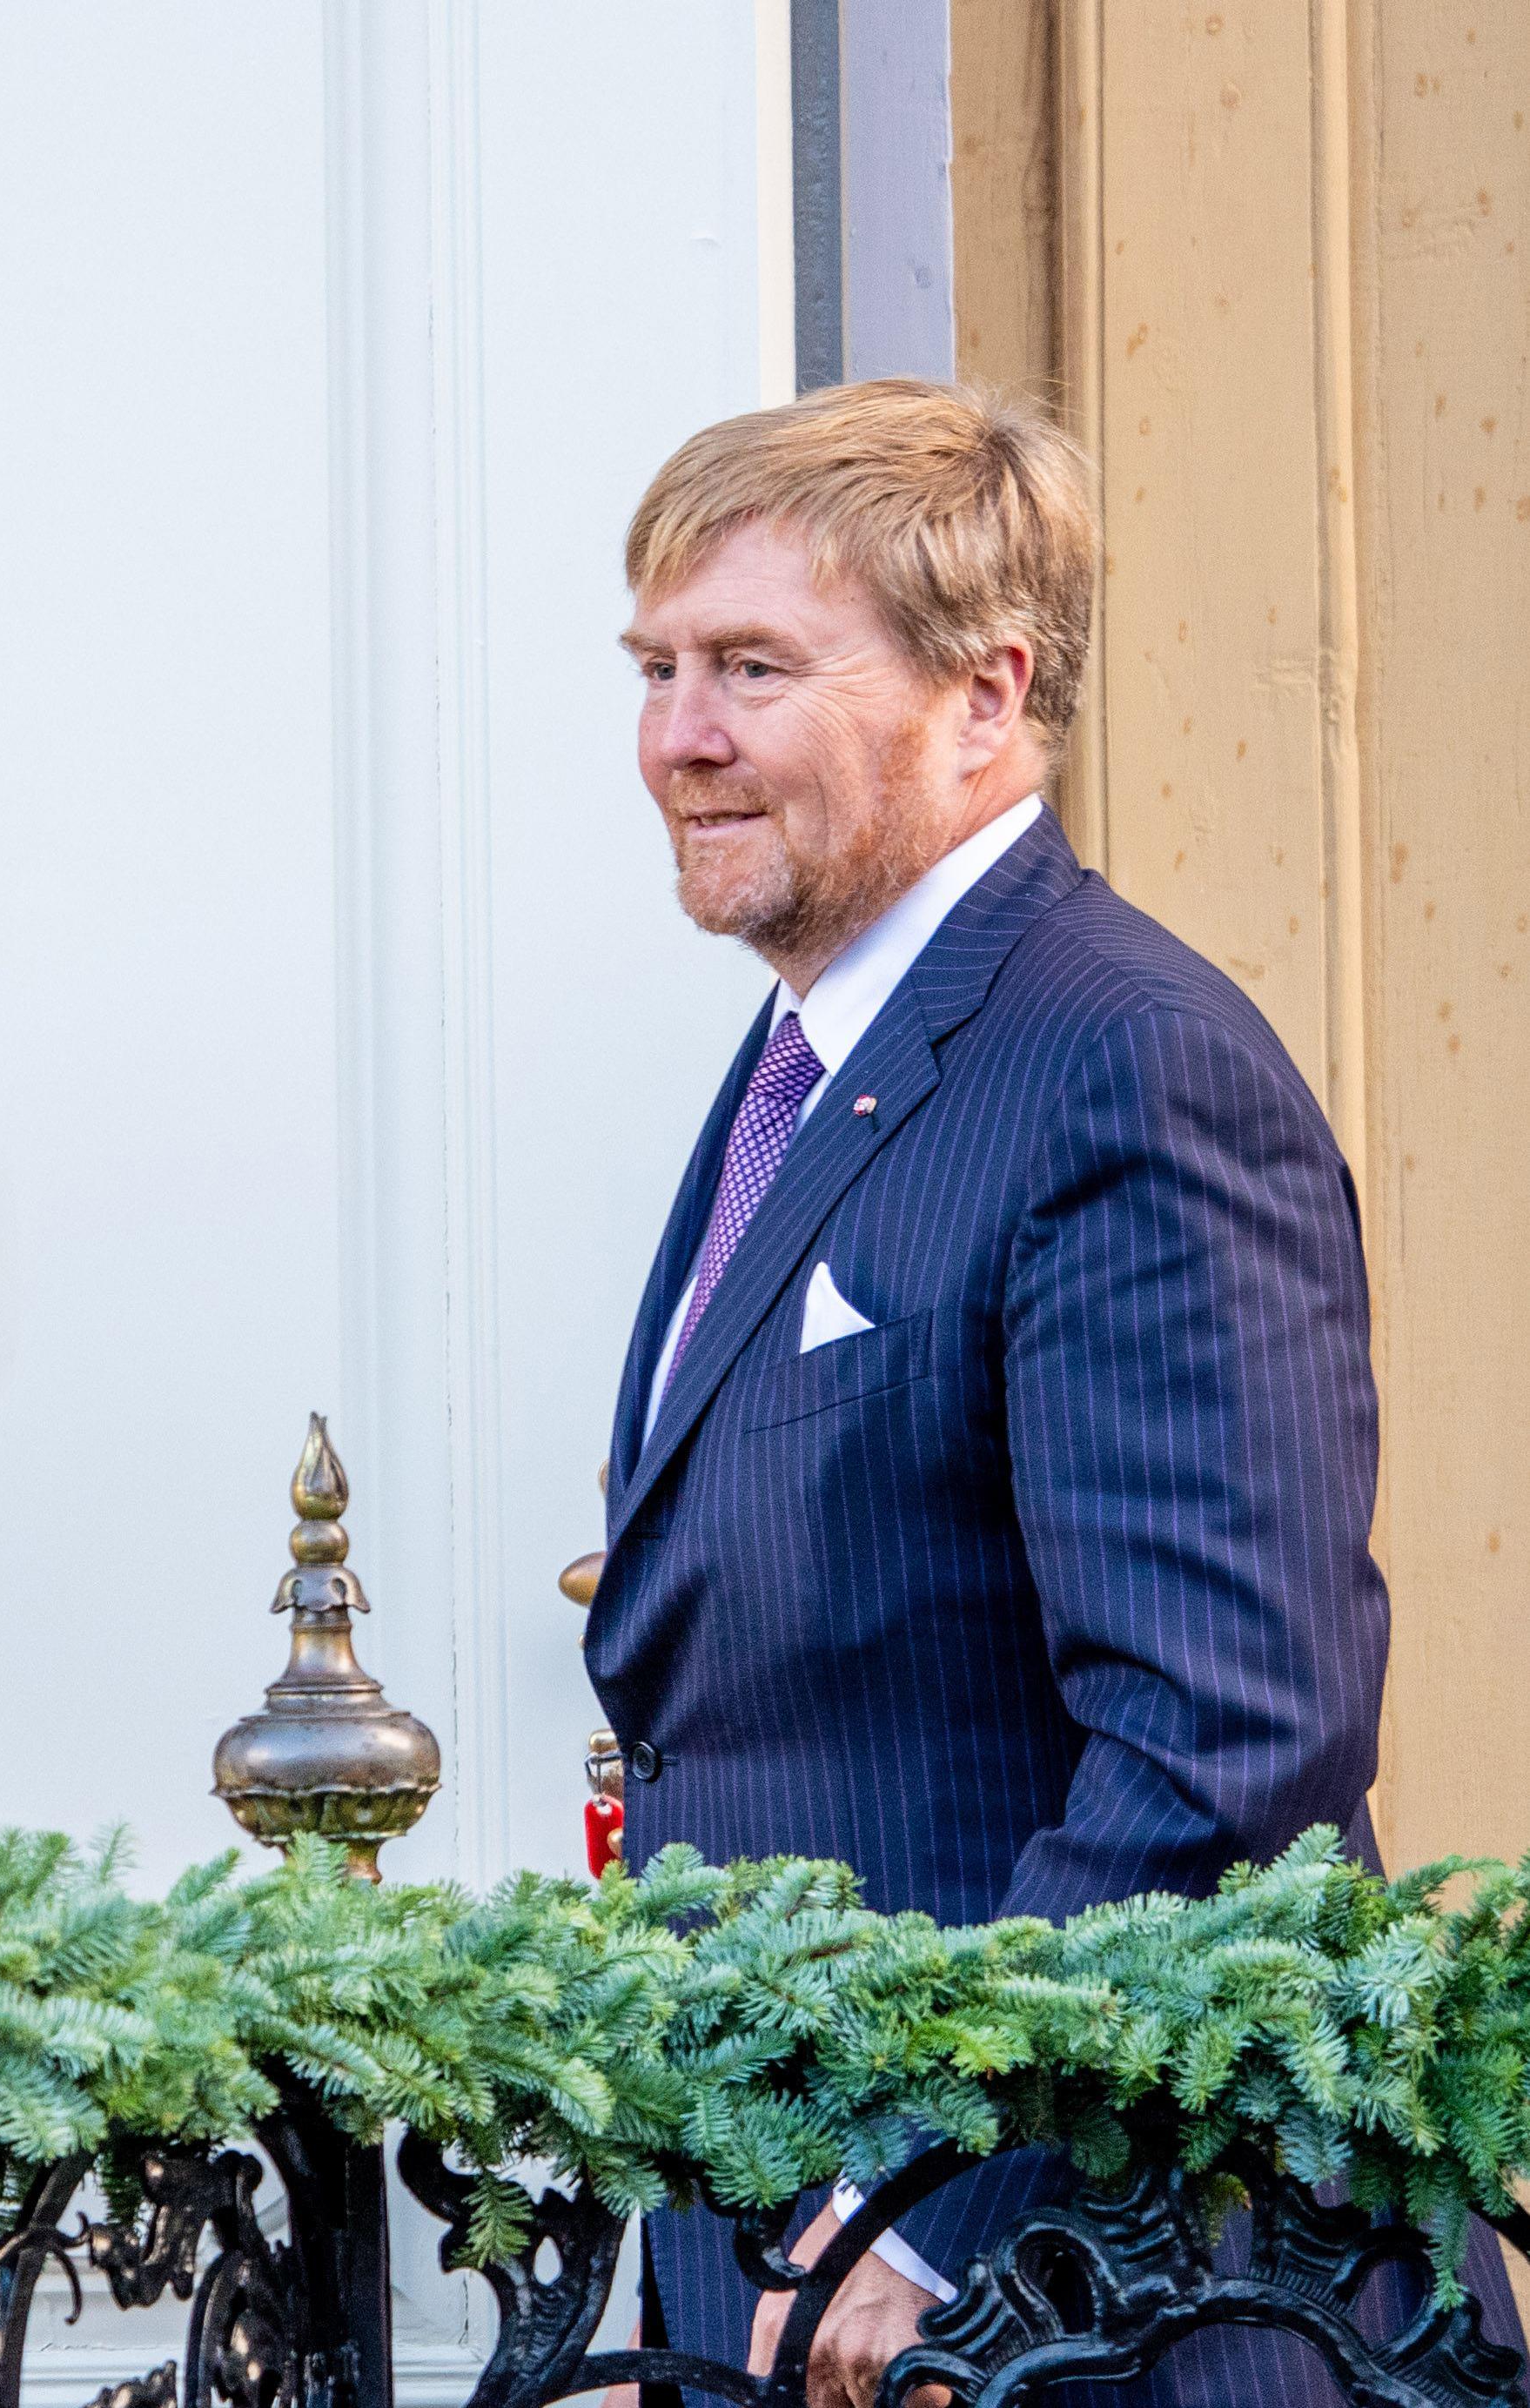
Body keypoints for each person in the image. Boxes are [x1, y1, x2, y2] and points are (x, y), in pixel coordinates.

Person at [585, 379, 1515, 2408]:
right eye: (656, 668)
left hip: (1098, 2309)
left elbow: (1223, 1727)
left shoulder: (1121, 1066)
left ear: (986, 693)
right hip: (823, 2292)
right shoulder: (810, 1069)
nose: (679, 736)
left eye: (753, 666)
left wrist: (930, 2212)